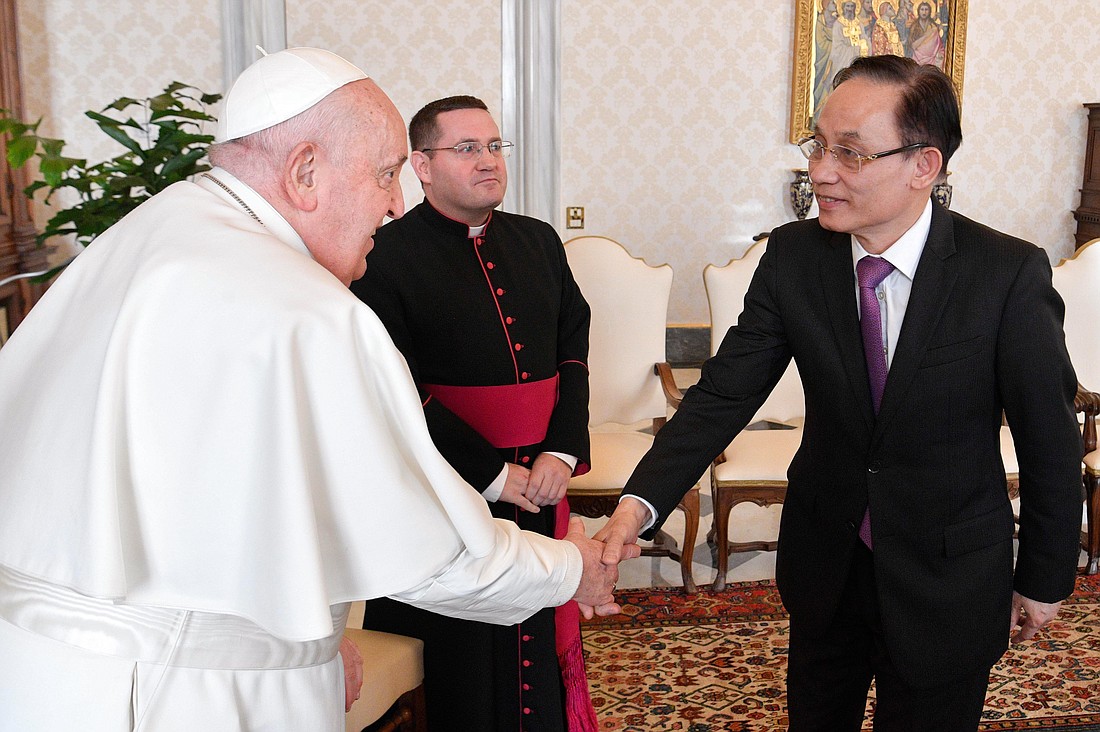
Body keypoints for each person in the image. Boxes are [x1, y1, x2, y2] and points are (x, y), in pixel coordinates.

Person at [0, 48, 633, 732]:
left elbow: (231, 497)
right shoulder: (304, 309)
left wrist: (321, 641)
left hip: (42, 670)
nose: (395, 206)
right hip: (179, 691)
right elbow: (428, 554)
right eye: (386, 174)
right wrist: (571, 570)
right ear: (304, 171)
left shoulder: (151, 235)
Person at [596, 54, 1083, 730]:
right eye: (818, 146)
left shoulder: (1004, 274)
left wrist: (1045, 575)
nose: (821, 171)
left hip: (948, 576)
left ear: (924, 166)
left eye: (850, 154)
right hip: (827, 564)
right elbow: (722, 395)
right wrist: (637, 505)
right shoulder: (795, 258)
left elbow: (1049, 438)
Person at [351, 95, 594, 731]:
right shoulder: (382, 255)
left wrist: (562, 451)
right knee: (461, 669)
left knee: (537, 649)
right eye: (466, 148)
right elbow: (393, 389)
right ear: (421, 167)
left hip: (543, 477)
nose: (487, 161)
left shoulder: (538, 241)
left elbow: (573, 349)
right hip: (447, 486)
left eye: (494, 146)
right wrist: (491, 473)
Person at [907, 1, 946, 68]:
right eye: (922, 9)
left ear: (930, 11)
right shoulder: (914, 26)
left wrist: (940, 55)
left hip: (932, 60)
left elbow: (939, 45)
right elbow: (912, 45)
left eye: (926, 9)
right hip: (917, 59)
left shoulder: (933, 26)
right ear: (918, 11)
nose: (924, 12)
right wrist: (928, 34)